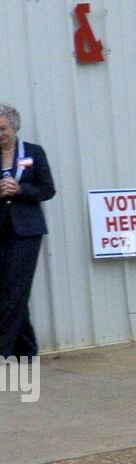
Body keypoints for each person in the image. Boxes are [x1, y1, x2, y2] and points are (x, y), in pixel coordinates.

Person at [0, 104, 55, 358]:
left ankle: (3, 350)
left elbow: (47, 190)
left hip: (26, 231)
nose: (0, 134)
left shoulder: (33, 152)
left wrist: (21, 190)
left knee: (13, 289)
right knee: (11, 290)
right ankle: (27, 350)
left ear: (14, 127)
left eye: (3, 129)